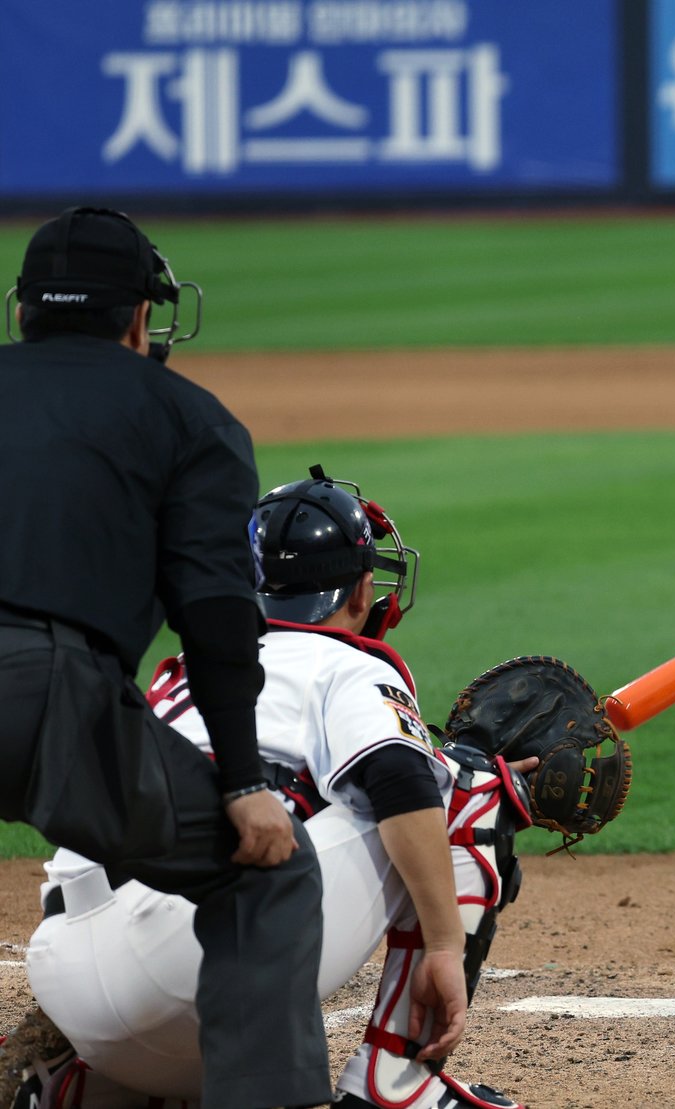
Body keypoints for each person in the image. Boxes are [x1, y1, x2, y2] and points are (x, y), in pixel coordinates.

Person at [18, 467, 535, 1109]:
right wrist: (444, 945)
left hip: (70, 976)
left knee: (238, 819)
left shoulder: (181, 673)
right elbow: (401, 782)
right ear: (362, 589)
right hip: (187, 973)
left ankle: (87, 1087)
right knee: (459, 781)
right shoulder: (344, 663)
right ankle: (398, 1084)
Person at [0, 208, 331, 1107]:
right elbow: (217, 617)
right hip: (54, 698)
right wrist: (241, 781)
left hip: (53, 689)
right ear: (141, 317)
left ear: (23, 309)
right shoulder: (189, 417)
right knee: (268, 867)